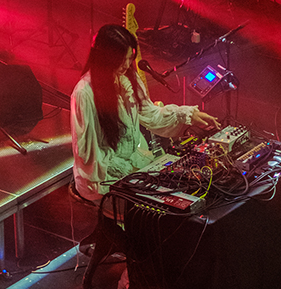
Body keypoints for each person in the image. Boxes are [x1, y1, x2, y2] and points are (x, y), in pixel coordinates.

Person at [70, 24, 221, 204]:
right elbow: (88, 155)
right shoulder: (85, 94)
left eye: (130, 58)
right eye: (122, 60)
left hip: (132, 167)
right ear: (106, 58)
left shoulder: (127, 79)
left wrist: (187, 115)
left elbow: (151, 115)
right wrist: (127, 178)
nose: (127, 65)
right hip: (102, 182)